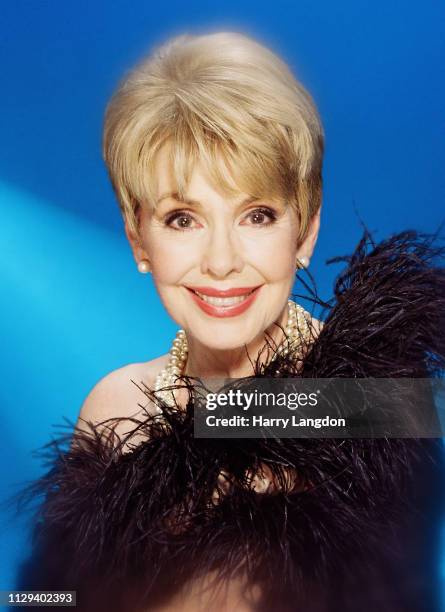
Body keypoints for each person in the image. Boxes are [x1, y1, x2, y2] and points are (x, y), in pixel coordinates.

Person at [15, 32, 445, 612]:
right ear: (137, 236)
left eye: (257, 214)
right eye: (183, 218)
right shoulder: (113, 407)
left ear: (307, 230)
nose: (221, 261)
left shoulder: (374, 399)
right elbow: (54, 594)